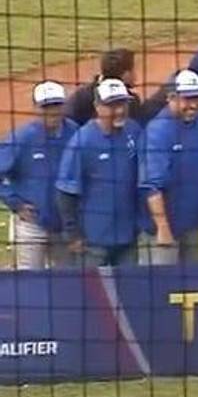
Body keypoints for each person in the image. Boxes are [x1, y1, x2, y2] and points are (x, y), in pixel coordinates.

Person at [55, 78, 142, 267]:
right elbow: (66, 193)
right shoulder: (82, 142)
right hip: (93, 242)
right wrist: (73, 235)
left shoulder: (133, 132)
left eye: (122, 103)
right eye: (112, 105)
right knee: (93, 295)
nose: (119, 110)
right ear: (97, 107)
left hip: (129, 237)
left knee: (132, 293)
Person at [138, 70, 198, 265]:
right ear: (171, 98)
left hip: (192, 223)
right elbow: (152, 186)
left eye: (197, 98)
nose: (193, 105)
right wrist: (162, 227)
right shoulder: (158, 131)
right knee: (161, 288)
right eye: (187, 99)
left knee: (193, 286)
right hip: (163, 229)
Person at [0, 82, 77, 269]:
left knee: (68, 283)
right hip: (32, 225)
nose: (52, 111)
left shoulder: (76, 133)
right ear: (35, 108)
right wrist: (15, 203)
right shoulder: (22, 138)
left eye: (56, 105)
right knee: (29, 283)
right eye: (46, 106)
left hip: (66, 226)